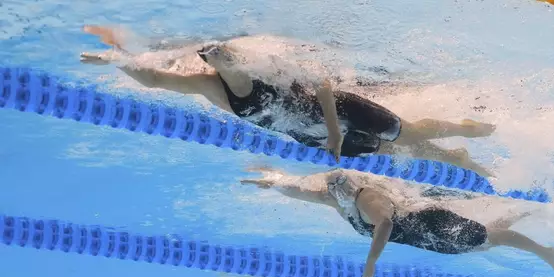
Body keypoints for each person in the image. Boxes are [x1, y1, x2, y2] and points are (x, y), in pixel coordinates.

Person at [79, 25, 496, 177]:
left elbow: (326, 87)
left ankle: (463, 130)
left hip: (341, 114)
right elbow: (153, 80)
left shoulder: (267, 68)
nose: (221, 58)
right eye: (215, 56)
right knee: (393, 148)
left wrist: (334, 132)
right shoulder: (211, 87)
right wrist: (117, 59)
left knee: (410, 133)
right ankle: (455, 158)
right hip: (317, 138)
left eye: (223, 53)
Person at [239, 166, 554, 277]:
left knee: (490, 238)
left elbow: (385, 223)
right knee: (483, 242)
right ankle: (527, 209)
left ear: (351, 184)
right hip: (422, 238)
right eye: (333, 187)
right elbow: (300, 190)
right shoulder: (338, 201)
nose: (335, 191)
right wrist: (274, 181)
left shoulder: (367, 197)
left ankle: (547, 253)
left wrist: (370, 265)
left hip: (429, 224)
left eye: (340, 185)